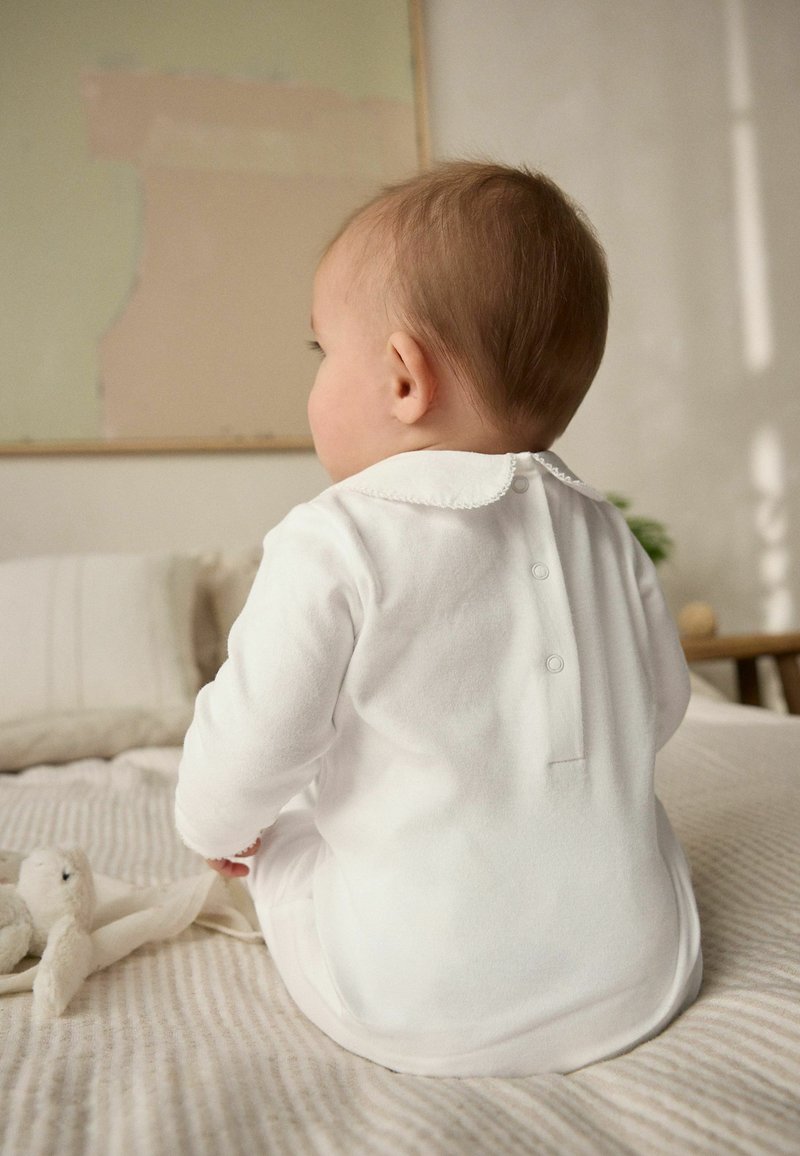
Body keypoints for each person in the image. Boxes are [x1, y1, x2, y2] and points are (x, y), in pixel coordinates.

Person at [175, 161, 701, 1078]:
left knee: (284, 846)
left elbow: (249, 747)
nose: (315, 379)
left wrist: (218, 832)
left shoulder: (332, 538)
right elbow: (662, 705)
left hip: (417, 1001)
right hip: (644, 973)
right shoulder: (603, 527)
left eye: (321, 351)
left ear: (403, 380)